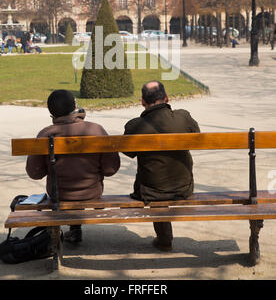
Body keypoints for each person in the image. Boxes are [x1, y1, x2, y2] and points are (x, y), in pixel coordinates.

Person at [26, 89, 120, 243]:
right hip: (91, 192)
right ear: (75, 106)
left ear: (51, 112)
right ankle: (75, 229)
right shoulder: (96, 130)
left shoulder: (45, 134)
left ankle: (73, 230)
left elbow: (34, 173)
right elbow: (111, 169)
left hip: (59, 195)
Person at [123, 80, 200, 252]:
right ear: (166, 98)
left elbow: (128, 152)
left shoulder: (135, 125)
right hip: (184, 187)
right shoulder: (183, 117)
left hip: (150, 190)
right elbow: (197, 137)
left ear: (143, 101)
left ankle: (164, 239)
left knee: (155, 181)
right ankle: (164, 238)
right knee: (162, 178)